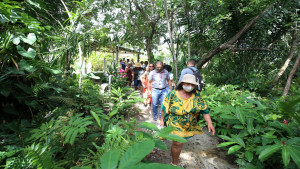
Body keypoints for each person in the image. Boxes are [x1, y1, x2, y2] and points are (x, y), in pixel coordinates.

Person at [160, 74, 215, 166]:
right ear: (182, 83)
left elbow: (204, 110)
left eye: (192, 84)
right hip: (175, 122)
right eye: (188, 83)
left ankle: (175, 159)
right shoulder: (173, 94)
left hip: (190, 124)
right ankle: (174, 163)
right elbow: (164, 108)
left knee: (181, 141)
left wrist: (210, 123)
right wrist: (162, 120)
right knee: (178, 143)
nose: (190, 86)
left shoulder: (197, 95)